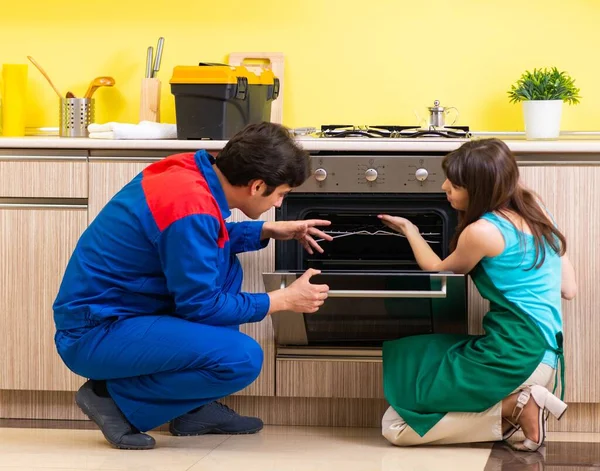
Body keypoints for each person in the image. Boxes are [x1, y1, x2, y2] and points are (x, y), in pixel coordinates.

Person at [53, 122, 331, 450]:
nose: (279, 204)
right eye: (281, 194)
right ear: (257, 186)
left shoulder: (190, 171)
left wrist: (265, 230)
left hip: (122, 314)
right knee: (242, 359)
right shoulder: (191, 207)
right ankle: (110, 399)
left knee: (225, 269)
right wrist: (281, 299)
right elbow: (200, 301)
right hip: (96, 334)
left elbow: (195, 239)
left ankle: (191, 409)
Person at [378, 138, 577, 451]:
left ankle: (517, 407)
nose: (444, 186)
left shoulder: (482, 231)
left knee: (396, 426)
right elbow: (569, 289)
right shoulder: (534, 207)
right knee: (425, 352)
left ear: (481, 189)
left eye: (455, 184)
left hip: (516, 356)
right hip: (544, 356)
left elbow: (439, 269)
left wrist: (410, 231)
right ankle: (520, 405)